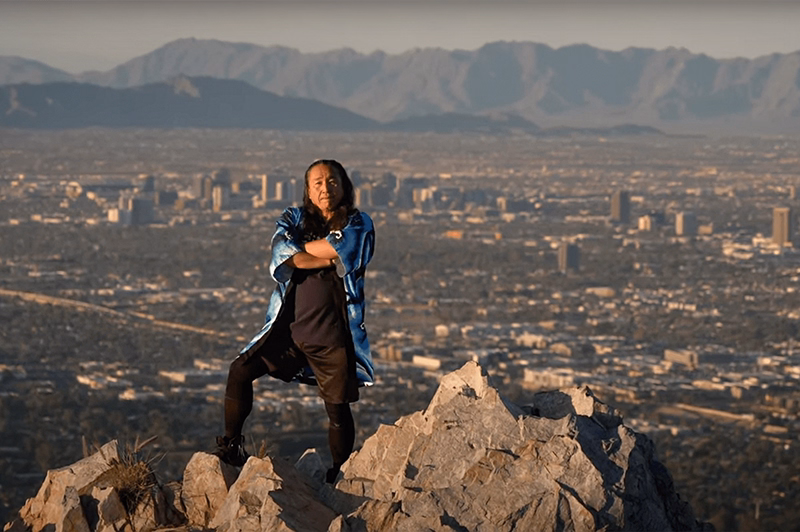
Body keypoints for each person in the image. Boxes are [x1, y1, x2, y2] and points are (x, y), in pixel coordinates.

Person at [213, 159, 375, 483]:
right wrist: (328, 253)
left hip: (332, 334)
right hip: (288, 331)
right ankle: (231, 446)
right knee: (240, 371)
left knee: (338, 408)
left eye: (332, 181)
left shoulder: (359, 222)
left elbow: (343, 247)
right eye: (317, 182)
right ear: (307, 190)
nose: (325, 187)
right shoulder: (294, 217)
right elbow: (281, 253)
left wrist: (306, 253)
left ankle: (340, 472)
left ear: (344, 186)